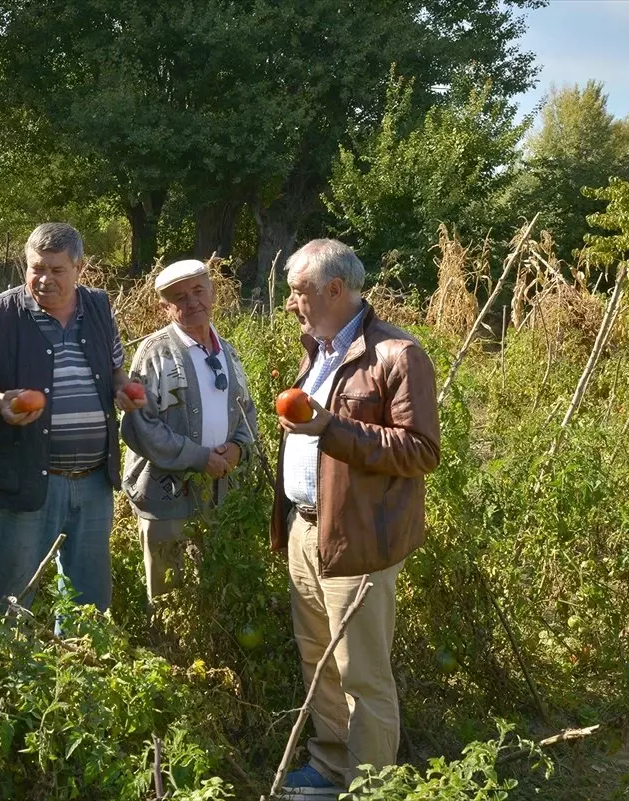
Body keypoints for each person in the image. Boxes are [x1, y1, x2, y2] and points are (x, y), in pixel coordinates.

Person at [272, 239, 440, 799]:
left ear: (334, 290)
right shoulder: (319, 349)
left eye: (298, 292)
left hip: (359, 534)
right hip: (306, 527)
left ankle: (371, 787)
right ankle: (329, 764)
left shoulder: (398, 354)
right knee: (317, 655)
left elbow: (419, 450)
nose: (291, 303)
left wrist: (329, 431)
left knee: (362, 672)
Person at [0, 222, 144, 616]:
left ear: (78, 268)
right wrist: (0, 401)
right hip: (28, 477)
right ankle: (9, 669)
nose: (43, 279)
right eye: (35, 268)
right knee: (13, 595)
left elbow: (114, 372)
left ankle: (80, 668)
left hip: (93, 482)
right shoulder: (1, 315)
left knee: (88, 601)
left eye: (55, 270)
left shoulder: (97, 308)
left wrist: (122, 390)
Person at [120, 259, 259, 601]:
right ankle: (169, 653)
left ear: (212, 293)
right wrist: (198, 458)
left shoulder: (228, 350)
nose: (192, 302)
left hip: (220, 493)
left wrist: (239, 449)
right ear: (165, 307)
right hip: (165, 495)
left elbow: (247, 410)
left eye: (198, 291)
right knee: (169, 593)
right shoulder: (155, 353)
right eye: (179, 297)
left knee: (216, 586)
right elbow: (139, 425)